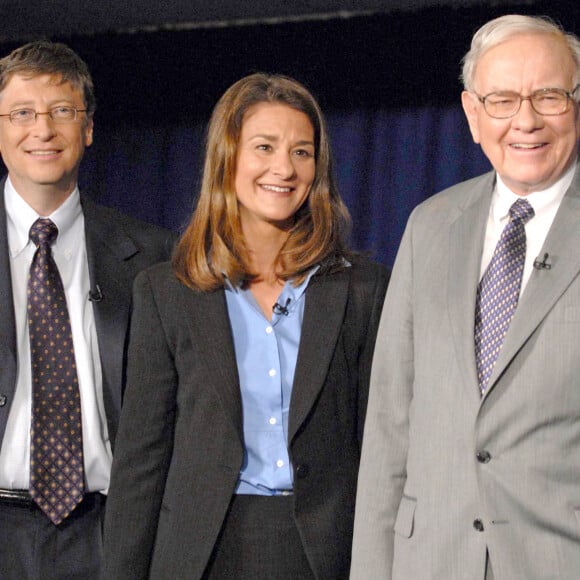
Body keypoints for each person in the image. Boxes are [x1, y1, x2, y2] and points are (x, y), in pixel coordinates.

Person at [102, 72, 389, 579]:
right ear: (227, 156)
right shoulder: (167, 291)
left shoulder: (362, 289)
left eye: (302, 152)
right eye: (265, 146)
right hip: (201, 552)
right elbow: (141, 462)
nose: (284, 167)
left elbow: (381, 447)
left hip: (325, 552)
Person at [350, 13, 580, 580]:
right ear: (473, 115)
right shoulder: (430, 226)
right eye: (501, 99)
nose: (525, 120)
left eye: (549, 96)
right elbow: (389, 426)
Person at [0, 41, 176, 579]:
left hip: (110, 534)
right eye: (22, 113)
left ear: (89, 128)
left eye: (62, 112)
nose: (43, 130)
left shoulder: (155, 257)